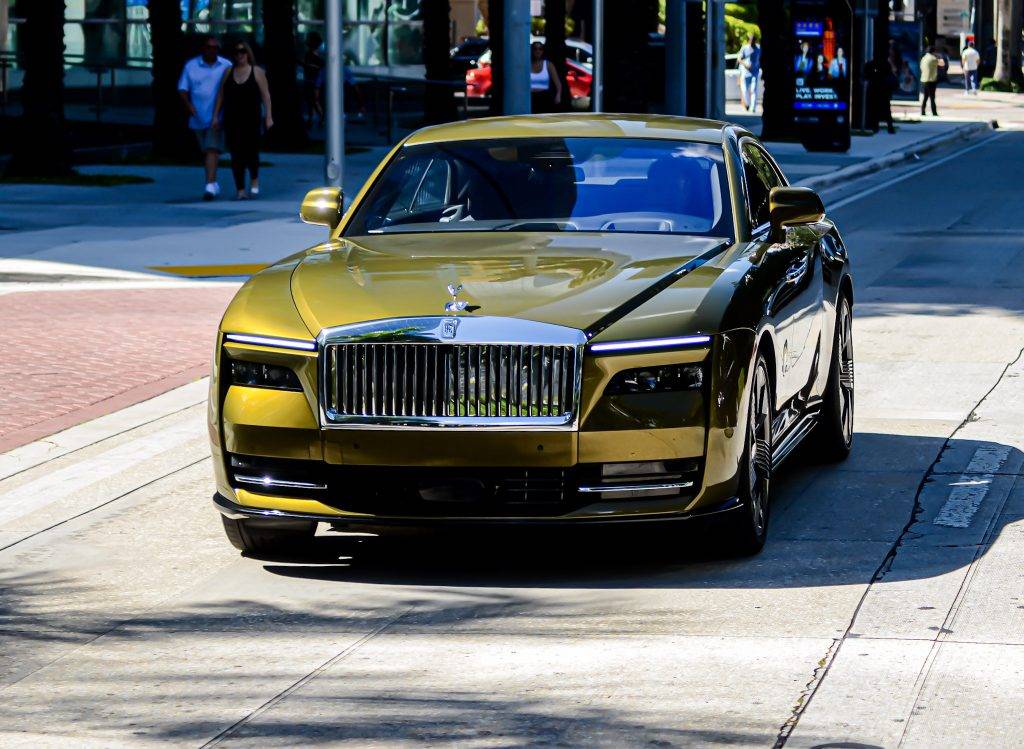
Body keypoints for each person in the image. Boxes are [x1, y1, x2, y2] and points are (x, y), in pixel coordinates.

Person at [213, 41, 273, 200]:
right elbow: (221, 95)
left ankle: (254, 179)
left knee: (251, 152)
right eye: (236, 52)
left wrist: (268, 116)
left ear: (248, 54)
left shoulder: (257, 72)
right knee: (236, 155)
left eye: (242, 52)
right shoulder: (228, 72)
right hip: (232, 119)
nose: (239, 55)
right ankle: (240, 189)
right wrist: (215, 116)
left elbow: (266, 96)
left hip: (251, 118)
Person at [178, 35, 232, 200]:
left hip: (217, 117)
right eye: (209, 47)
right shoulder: (191, 66)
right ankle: (212, 181)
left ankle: (209, 185)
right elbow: (182, 89)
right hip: (198, 116)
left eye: (215, 48)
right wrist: (190, 107)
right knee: (206, 151)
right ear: (203, 49)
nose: (212, 51)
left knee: (211, 149)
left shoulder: (225, 66)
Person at [529, 41, 562, 113]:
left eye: (540, 49)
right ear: (531, 50)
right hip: (530, 97)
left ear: (543, 51)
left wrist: (558, 95)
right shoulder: (527, 64)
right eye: (535, 49)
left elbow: (558, 83)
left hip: (544, 97)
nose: (538, 51)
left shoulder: (548, 64)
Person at [302, 32, 325, 127]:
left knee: (313, 101)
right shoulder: (314, 56)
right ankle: (317, 118)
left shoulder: (312, 56)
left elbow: (310, 66)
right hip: (313, 81)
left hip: (313, 82)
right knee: (312, 101)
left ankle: (320, 118)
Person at [738, 33, 761, 112]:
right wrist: (745, 64)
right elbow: (739, 59)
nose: (752, 42)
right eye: (751, 40)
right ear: (749, 40)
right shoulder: (745, 48)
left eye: (754, 40)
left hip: (755, 72)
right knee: (744, 90)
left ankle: (753, 108)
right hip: (746, 72)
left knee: (753, 90)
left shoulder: (759, 49)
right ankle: (747, 104)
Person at [920, 45, 939, 116]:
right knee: (932, 98)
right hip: (931, 80)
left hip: (924, 79)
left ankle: (922, 111)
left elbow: (921, 67)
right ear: (933, 51)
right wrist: (937, 56)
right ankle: (934, 112)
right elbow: (942, 64)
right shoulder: (933, 58)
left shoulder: (923, 58)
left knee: (925, 97)